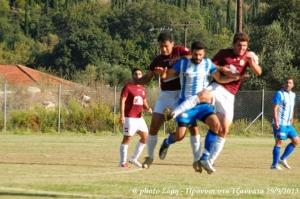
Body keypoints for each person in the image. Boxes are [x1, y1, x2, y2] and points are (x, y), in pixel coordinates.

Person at [165, 32, 262, 166]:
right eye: (239, 45)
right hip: (217, 86)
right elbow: (208, 64)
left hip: (230, 95)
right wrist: (222, 68)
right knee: (202, 96)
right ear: (233, 44)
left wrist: (251, 62)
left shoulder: (249, 56)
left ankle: (208, 160)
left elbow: (258, 72)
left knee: (224, 129)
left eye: (244, 46)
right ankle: (174, 112)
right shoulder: (224, 53)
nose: (242, 48)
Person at [155, 41, 244, 173]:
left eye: (200, 54)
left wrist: (236, 78)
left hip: (202, 105)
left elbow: (219, 78)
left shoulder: (207, 63)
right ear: (191, 52)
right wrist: (162, 74)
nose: (198, 57)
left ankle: (205, 157)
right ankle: (166, 143)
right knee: (180, 136)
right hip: (185, 104)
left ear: (204, 54)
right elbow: (167, 75)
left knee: (216, 125)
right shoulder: (183, 64)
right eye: (195, 54)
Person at [125, 31, 193, 169]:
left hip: (181, 96)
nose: (163, 49)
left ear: (172, 44)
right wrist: (133, 82)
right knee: (154, 126)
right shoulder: (157, 60)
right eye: (161, 46)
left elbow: (194, 56)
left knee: (182, 134)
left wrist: (179, 59)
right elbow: (147, 78)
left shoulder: (180, 51)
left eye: (166, 46)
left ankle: (167, 142)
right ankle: (150, 157)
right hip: (165, 95)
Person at [119, 68, 152, 168]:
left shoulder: (142, 88)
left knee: (146, 138)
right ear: (133, 76)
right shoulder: (128, 87)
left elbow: (144, 102)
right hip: (129, 118)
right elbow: (122, 101)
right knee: (127, 139)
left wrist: (148, 108)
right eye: (136, 74)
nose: (138, 76)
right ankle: (122, 162)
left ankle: (134, 158)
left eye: (139, 74)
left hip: (139, 118)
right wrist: (122, 115)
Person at [270, 77, 299, 170]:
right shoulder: (279, 94)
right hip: (280, 123)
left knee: (296, 141)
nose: (288, 84)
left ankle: (282, 159)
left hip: (288, 124)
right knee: (279, 142)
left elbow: (292, 107)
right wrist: (276, 121)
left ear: (293, 85)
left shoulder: (293, 95)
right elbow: (275, 108)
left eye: (290, 83)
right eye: (286, 82)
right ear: (284, 83)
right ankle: (274, 165)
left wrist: (292, 118)